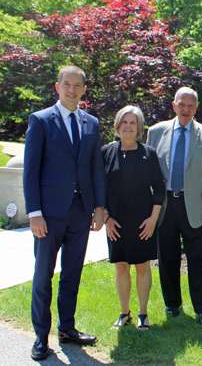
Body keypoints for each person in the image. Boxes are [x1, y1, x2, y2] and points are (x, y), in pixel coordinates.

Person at [23, 66, 106, 360]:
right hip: (48, 214)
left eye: (77, 85)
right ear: (57, 87)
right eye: (66, 84)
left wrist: (99, 207)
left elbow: (96, 168)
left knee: (72, 274)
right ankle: (41, 335)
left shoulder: (92, 123)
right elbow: (30, 171)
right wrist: (34, 213)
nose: (72, 90)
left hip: (81, 213)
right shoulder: (41, 120)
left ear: (84, 89)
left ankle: (67, 329)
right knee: (43, 276)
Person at [147, 87, 202, 326]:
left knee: (198, 260)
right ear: (174, 105)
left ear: (196, 108)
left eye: (191, 105)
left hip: (194, 207)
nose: (186, 109)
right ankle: (172, 305)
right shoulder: (155, 132)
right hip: (164, 206)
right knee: (167, 259)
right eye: (181, 104)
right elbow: (149, 174)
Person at [101, 106, 165, 331]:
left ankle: (143, 313)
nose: (128, 126)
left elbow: (159, 187)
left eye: (133, 122)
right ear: (117, 126)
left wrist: (153, 219)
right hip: (115, 222)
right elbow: (99, 188)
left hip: (143, 222)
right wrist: (106, 217)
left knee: (142, 266)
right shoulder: (106, 153)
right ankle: (124, 312)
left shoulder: (149, 153)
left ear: (139, 127)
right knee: (120, 266)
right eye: (124, 122)